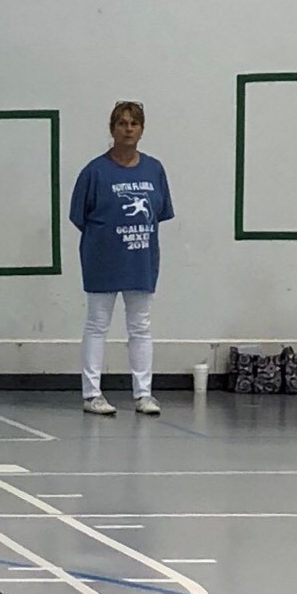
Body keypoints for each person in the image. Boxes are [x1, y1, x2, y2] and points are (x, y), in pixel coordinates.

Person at [70, 100, 173, 417]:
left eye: (134, 123)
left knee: (140, 326)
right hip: (103, 258)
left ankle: (143, 394)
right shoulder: (94, 171)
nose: (128, 129)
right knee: (98, 323)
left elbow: (160, 212)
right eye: (121, 123)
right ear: (112, 128)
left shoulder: (154, 169)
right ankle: (92, 394)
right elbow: (79, 216)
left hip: (141, 259)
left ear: (142, 129)